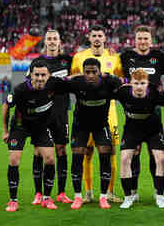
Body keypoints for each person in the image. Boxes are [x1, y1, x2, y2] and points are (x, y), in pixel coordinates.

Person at [48, 58, 122, 210]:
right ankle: (77, 197)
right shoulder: (77, 83)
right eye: (87, 72)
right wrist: (68, 78)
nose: (90, 75)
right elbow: (54, 84)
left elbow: (123, 85)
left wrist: (113, 77)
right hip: (80, 126)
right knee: (78, 156)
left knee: (105, 154)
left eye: (94, 72)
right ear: (83, 72)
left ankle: (103, 197)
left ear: (99, 72)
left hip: (101, 125)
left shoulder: (108, 83)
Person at [119, 25, 164, 202]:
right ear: (135, 40)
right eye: (140, 38)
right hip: (132, 111)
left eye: (146, 38)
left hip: (154, 111)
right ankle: (133, 192)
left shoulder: (158, 57)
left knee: (155, 154)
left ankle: (158, 193)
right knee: (132, 153)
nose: (143, 41)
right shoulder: (126, 57)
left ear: (151, 40)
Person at [71, 25, 124, 203]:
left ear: (105, 37)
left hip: (109, 112)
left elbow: (121, 81)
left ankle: (109, 191)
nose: (97, 38)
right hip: (85, 112)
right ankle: (88, 192)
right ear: (89, 37)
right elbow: (74, 81)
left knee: (111, 152)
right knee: (87, 152)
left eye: (100, 35)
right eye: (93, 35)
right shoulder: (79, 57)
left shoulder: (114, 58)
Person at [2, 60, 59, 212]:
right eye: (37, 75)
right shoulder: (20, 89)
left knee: (50, 158)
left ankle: (46, 198)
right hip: (20, 126)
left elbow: (73, 80)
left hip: (40, 127)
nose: (40, 78)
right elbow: (6, 106)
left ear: (49, 76)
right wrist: (5, 130)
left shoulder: (53, 85)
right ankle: (13, 200)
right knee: (14, 159)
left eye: (43, 75)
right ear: (31, 75)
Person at [116, 69, 164, 209]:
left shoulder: (154, 93)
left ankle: (159, 196)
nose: (139, 86)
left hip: (152, 129)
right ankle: (128, 197)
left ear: (147, 83)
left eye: (142, 83)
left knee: (160, 159)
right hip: (132, 129)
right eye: (136, 83)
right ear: (131, 83)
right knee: (124, 159)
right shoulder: (122, 93)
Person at [30, 30, 73, 205]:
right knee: (38, 151)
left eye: (55, 38)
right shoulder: (37, 62)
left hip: (61, 113)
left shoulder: (67, 61)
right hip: (41, 114)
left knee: (61, 150)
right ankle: (38, 193)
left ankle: (61, 192)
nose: (52, 41)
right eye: (49, 39)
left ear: (59, 41)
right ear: (45, 41)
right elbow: (29, 84)